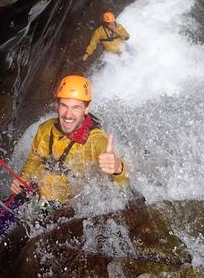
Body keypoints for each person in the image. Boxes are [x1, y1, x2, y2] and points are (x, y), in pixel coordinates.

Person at [10, 75, 128, 206]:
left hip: (65, 208)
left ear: (86, 108)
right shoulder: (45, 129)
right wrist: (23, 179)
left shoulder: (96, 141)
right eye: (64, 106)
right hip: (34, 194)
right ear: (57, 105)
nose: (68, 114)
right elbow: (34, 160)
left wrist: (118, 167)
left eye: (76, 107)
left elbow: (124, 184)